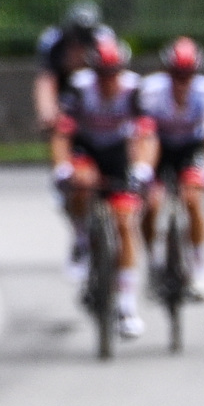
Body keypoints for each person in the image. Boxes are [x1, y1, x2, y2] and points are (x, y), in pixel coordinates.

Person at [51, 37, 155, 339]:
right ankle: (82, 240)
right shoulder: (80, 87)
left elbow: (146, 136)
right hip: (87, 148)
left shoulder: (135, 90)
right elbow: (62, 133)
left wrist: (142, 169)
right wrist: (63, 167)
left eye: (114, 74)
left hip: (118, 153)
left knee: (125, 222)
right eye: (102, 74)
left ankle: (126, 305)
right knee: (81, 184)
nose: (108, 81)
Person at [137, 38, 204, 300]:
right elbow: (143, 135)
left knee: (193, 197)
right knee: (151, 203)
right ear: (168, 73)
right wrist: (142, 169)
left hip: (191, 148)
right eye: (177, 75)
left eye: (188, 75)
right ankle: (154, 259)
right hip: (158, 147)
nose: (182, 81)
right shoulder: (151, 90)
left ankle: (199, 269)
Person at [33, 1, 115, 133]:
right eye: (76, 37)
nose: (80, 45)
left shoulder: (105, 40)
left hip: (96, 86)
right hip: (64, 85)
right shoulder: (53, 40)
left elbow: (113, 77)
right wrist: (47, 111)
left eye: (85, 38)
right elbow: (46, 79)